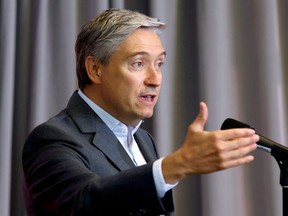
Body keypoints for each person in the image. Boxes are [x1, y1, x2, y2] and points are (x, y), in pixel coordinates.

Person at [22, 8, 259, 216]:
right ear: (95, 69)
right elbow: (85, 202)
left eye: (159, 64)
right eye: (138, 63)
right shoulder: (52, 138)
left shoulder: (143, 140)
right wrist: (176, 165)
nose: (155, 79)